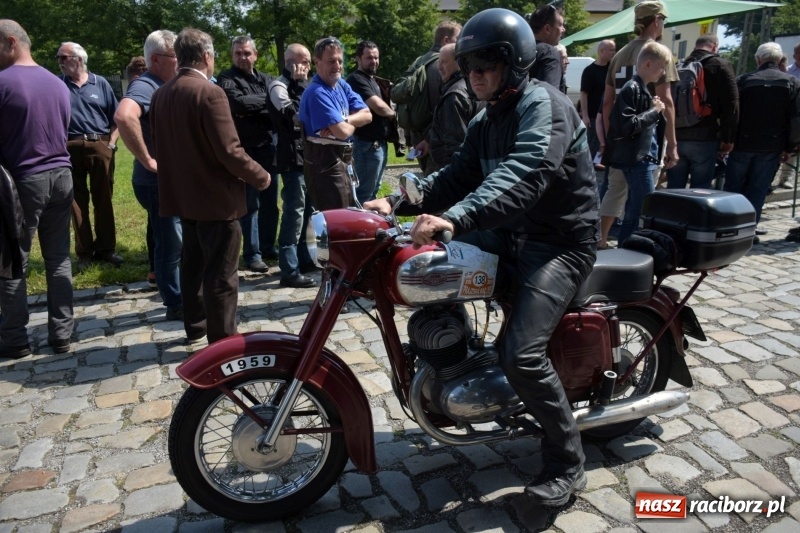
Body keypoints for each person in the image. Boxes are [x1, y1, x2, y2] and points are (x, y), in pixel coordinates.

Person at [366, 8, 598, 507]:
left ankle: (567, 462)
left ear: (515, 62)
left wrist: (456, 218)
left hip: (558, 243)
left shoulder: (545, 106)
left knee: (522, 354)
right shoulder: (486, 118)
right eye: (469, 65)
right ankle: (456, 360)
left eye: (486, 63)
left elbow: (525, 171)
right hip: (509, 236)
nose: (475, 74)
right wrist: (396, 201)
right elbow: (455, 176)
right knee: (430, 268)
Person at [150, 28, 270, 344]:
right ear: (207, 56)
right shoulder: (210, 93)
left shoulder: (161, 93)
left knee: (192, 265)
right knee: (221, 273)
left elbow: (161, 145)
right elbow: (229, 151)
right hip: (216, 199)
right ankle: (222, 341)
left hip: (182, 195)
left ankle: (196, 325)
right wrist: (261, 175)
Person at [0, 20, 74, 358]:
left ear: (11, 42)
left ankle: (15, 338)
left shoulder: (3, 83)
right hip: (62, 175)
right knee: (58, 259)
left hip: (24, 180)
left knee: (14, 260)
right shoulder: (57, 83)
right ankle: (62, 334)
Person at [114, 30, 183, 321]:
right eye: (176, 56)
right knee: (170, 244)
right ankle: (176, 304)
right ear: (156, 59)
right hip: (155, 181)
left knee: (175, 241)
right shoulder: (145, 85)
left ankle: (182, 295)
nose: (181, 61)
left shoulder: (164, 83)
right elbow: (124, 116)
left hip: (168, 180)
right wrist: (148, 160)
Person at [723, 42, 800, 244]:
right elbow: (795, 119)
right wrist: (790, 147)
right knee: (758, 189)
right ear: (780, 60)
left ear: (758, 59)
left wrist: (727, 140)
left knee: (733, 187)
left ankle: (729, 228)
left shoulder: (744, 81)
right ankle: (749, 230)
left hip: (742, 143)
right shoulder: (791, 82)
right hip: (771, 146)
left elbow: (732, 114)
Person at [57, 41, 122, 270]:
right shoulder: (58, 85)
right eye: (58, 58)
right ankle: (84, 252)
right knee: (76, 201)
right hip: (69, 146)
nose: (59, 62)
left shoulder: (100, 83)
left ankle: (107, 249)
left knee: (103, 198)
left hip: (100, 144)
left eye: (63, 57)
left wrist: (111, 144)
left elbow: (116, 119)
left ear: (79, 59)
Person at [217, 36, 279, 273]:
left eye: (247, 53)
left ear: (255, 55)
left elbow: (279, 106)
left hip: (268, 147)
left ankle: (267, 247)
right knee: (250, 203)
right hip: (245, 150)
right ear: (232, 55)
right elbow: (237, 104)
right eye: (238, 53)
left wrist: (258, 106)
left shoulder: (267, 79)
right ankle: (252, 254)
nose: (243, 57)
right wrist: (267, 102)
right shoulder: (226, 78)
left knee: (270, 202)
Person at [604, 42, 669, 246]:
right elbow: (628, 125)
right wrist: (654, 111)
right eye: (661, 67)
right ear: (648, 63)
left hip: (641, 158)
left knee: (637, 207)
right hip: (637, 159)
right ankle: (628, 246)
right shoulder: (632, 88)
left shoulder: (639, 88)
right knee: (642, 206)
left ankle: (626, 246)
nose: (663, 72)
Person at [602, 1, 679, 170]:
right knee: (644, 186)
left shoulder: (618, 55)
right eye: (663, 20)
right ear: (657, 20)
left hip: (620, 143)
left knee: (615, 186)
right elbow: (666, 100)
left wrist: (612, 140)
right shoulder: (659, 53)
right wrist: (672, 145)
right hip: (646, 145)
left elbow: (607, 102)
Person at [298, 37, 372, 211]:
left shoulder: (341, 85)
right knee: (337, 218)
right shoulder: (317, 92)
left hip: (342, 161)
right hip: (326, 164)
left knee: (348, 214)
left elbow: (368, 115)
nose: (337, 66)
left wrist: (344, 120)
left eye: (340, 61)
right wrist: (349, 122)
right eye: (331, 61)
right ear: (317, 62)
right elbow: (342, 133)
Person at [267, 43, 317, 289]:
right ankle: (289, 269)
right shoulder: (279, 86)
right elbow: (297, 117)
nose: (307, 66)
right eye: (304, 61)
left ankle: (305, 259)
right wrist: (298, 83)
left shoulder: (303, 85)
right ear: (290, 62)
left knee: (310, 211)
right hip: (290, 158)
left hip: (308, 157)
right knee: (294, 213)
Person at [666, 34, 738, 190]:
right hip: (705, 136)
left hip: (677, 136)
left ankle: (671, 207)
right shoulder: (721, 65)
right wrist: (728, 138)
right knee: (699, 189)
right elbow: (731, 103)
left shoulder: (677, 65)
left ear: (695, 47)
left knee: (674, 187)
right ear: (715, 46)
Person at [393, 21, 462, 172]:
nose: (460, 43)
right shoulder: (444, 66)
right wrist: (429, 139)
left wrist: (410, 139)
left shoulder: (418, 62)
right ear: (446, 40)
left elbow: (406, 101)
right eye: (458, 39)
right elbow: (446, 109)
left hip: (418, 139)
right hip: (437, 140)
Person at [415, 43, 481, 174]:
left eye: (444, 62)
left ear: (458, 63)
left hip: (453, 171)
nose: (439, 67)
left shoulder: (454, 95)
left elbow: (455, 145)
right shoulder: (471, 85)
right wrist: (428, 140)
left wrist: (449, 176)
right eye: (439, 62)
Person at [346, 41, 396, 204]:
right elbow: (378, 106)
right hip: (366, 145)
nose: (374, 61)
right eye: (369, 58)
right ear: (358, 59)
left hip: (377, 144)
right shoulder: (356, 79)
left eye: (376, 57)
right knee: (364, 194)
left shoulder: (372, 80)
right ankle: (358, 221)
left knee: (373, 190)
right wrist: (395, 115)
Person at [580, 40, 616, 161]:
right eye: (611, 50)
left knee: (607, 147)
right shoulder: (589, 71)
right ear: (602, 51)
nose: (614, 53)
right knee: (593, 147)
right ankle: (590, 168)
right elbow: (584, 94)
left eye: (614, 50)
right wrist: (585, 116)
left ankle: (602, 166)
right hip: (593, 117)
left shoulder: (612, 69)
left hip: (608, 116)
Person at [527, 4, 566, 91]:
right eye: (560, 25)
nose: (563, 29)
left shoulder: (519, 49)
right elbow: (549, 95)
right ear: (547, 29)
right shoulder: (549, 53)